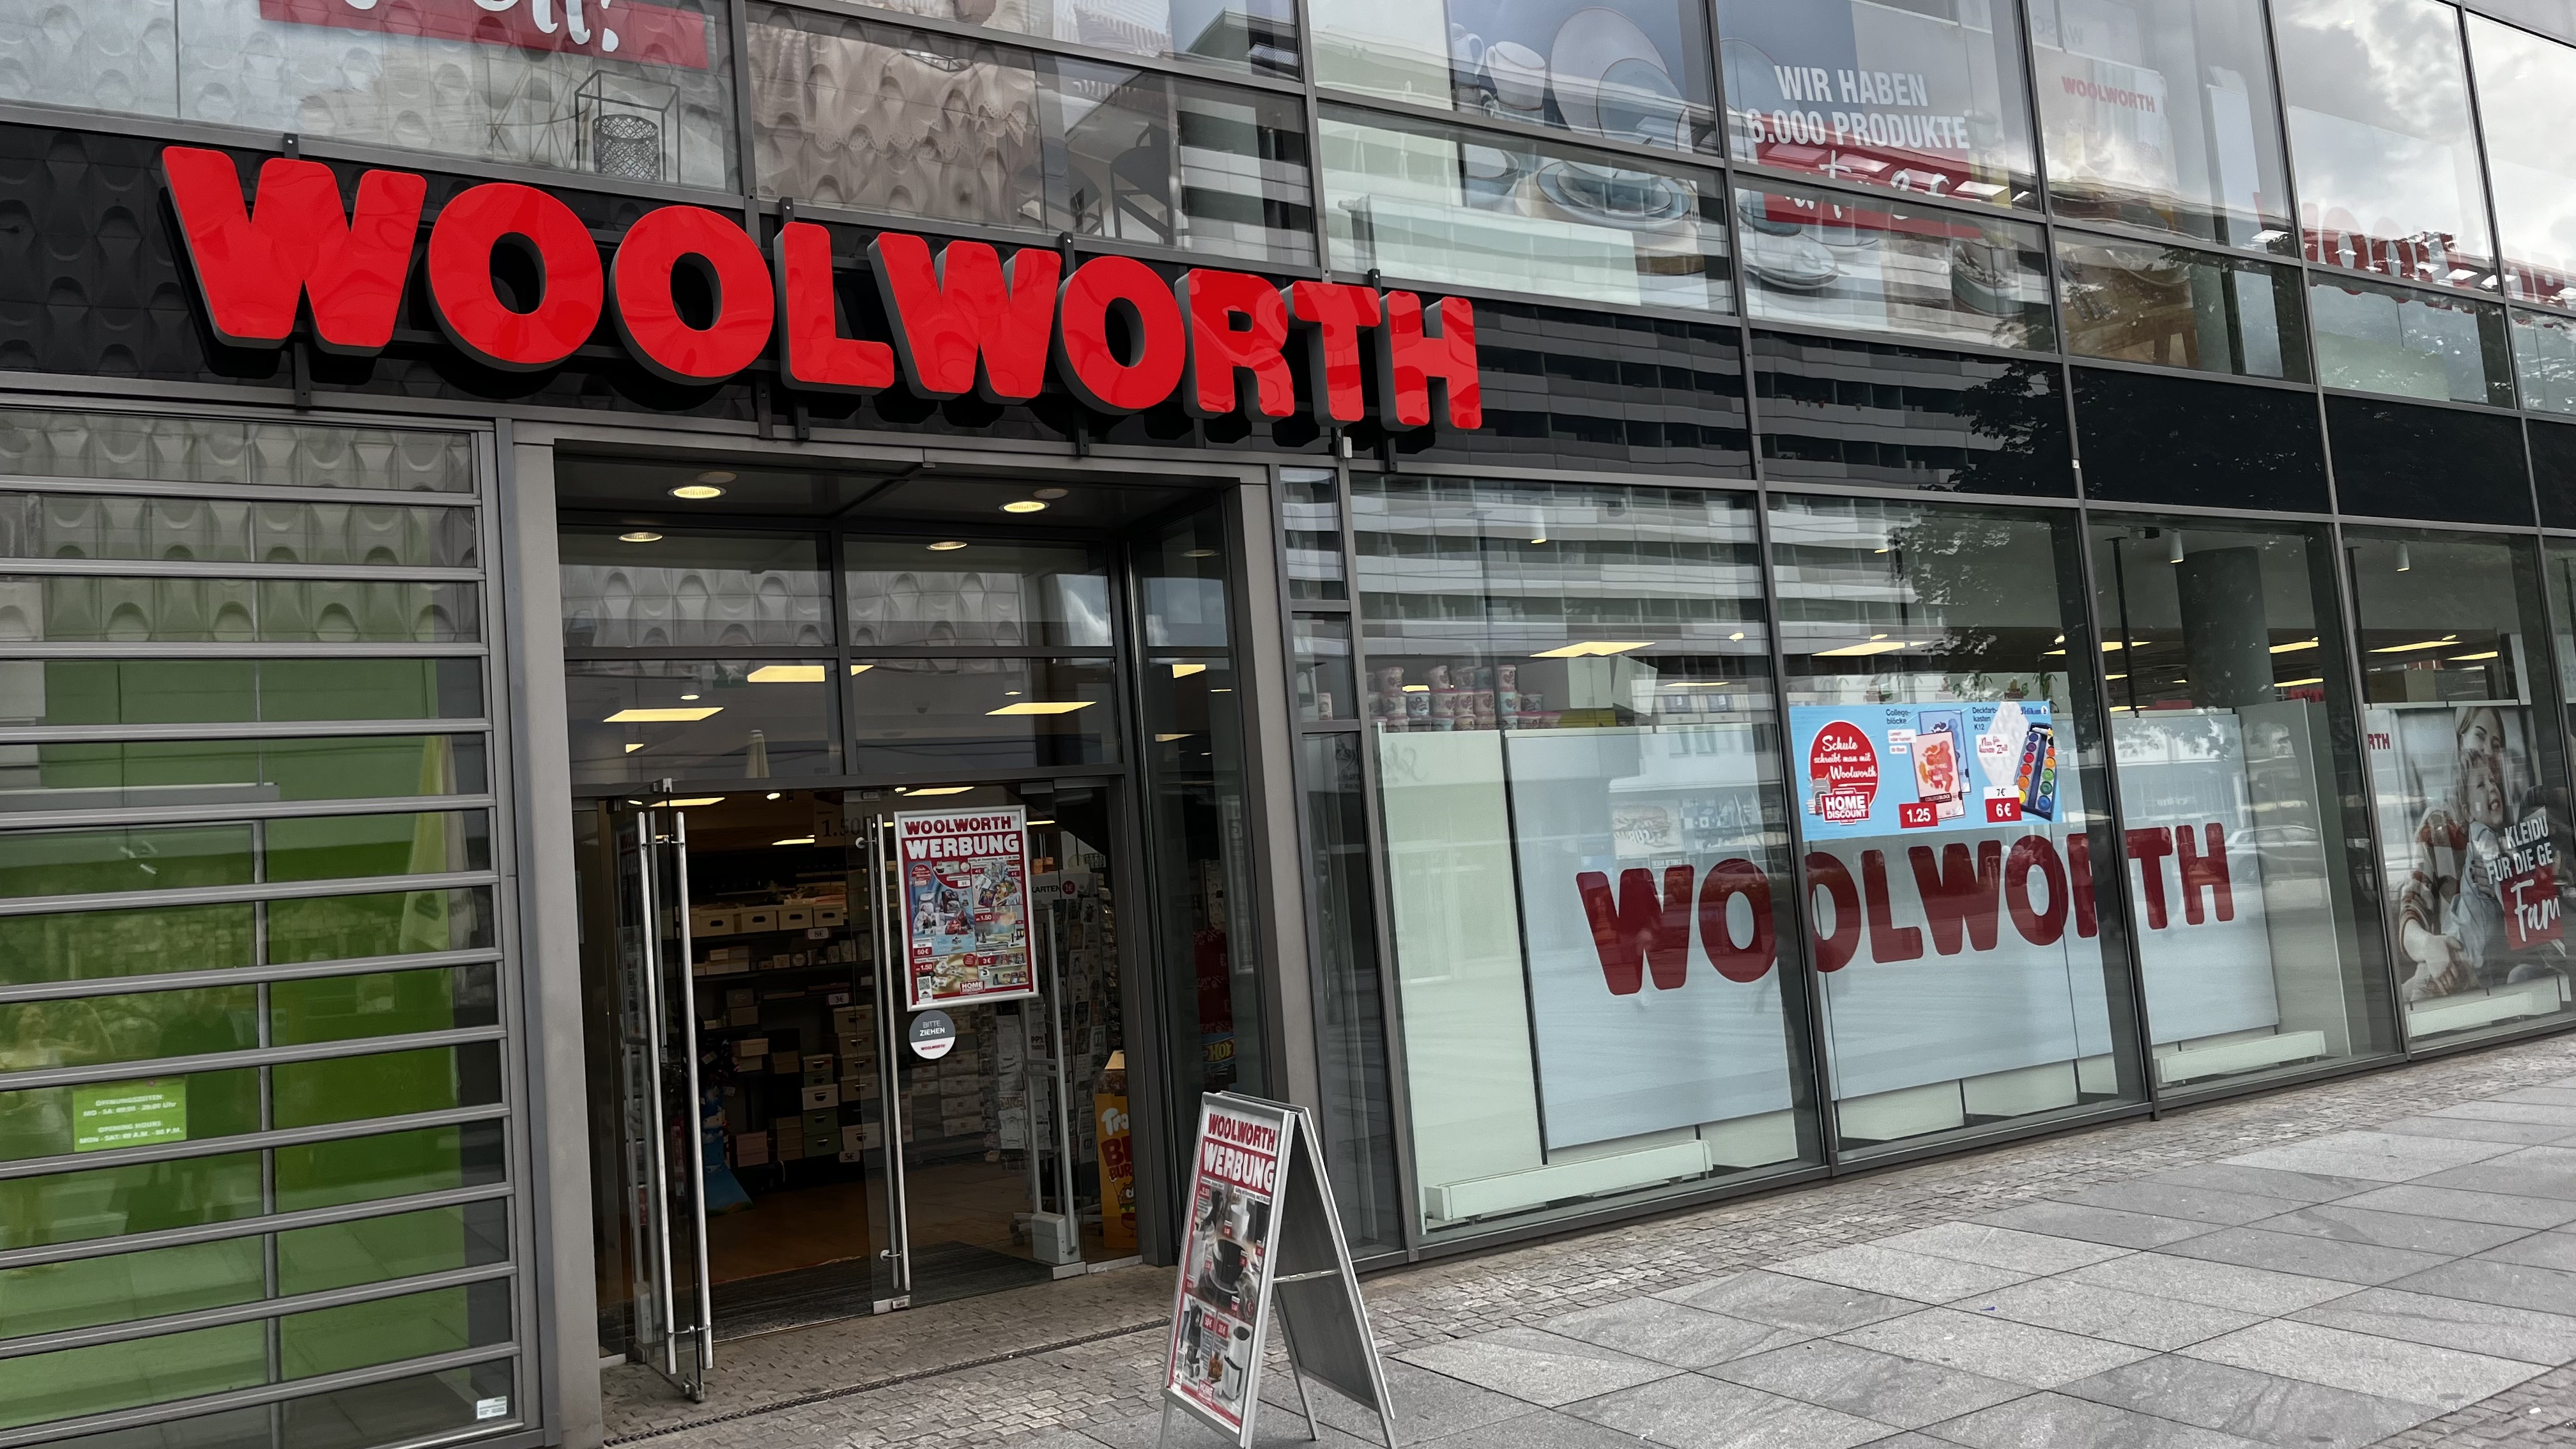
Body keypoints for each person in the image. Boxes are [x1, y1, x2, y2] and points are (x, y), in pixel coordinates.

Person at [2396, 705, 2570, 1000]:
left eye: (2496, 744)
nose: (2489, 750)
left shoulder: (2516, 824)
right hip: (2454, 969)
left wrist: (2511, 890)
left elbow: (2549, 909)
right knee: (2406, 1000)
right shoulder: (2439, 826)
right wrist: (2429, 946)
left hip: (2504, 971)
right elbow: (2412, 909)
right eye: (2480, 737)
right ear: (2460, 741)